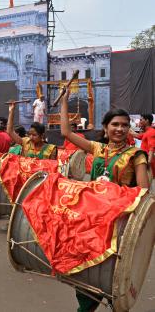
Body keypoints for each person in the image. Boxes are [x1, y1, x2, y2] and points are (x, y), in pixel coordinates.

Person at [60, 89, 149, 312]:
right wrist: (63, 103)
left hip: (118, 223)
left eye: (125, 125)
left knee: (111, 273)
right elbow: (66, 132)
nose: (120, 129)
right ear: (106, 128)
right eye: (115, 124)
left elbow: (143, 193)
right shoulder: (97, 148)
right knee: (84, 269)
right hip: (90, 220)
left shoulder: (136, 155)